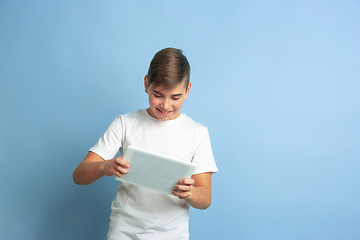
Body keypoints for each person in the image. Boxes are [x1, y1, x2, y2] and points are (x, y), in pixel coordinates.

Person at [72, 47, 218, 240]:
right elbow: (79, 175)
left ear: (187, 90)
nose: (165, 105)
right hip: (123, 232)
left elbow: (205, 198)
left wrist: (190, 192)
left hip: (172, 235)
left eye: (175, 97)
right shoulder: (125, 124)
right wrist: (105, 166)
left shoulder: (197, 133)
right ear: (146, 84)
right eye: (157, 94)